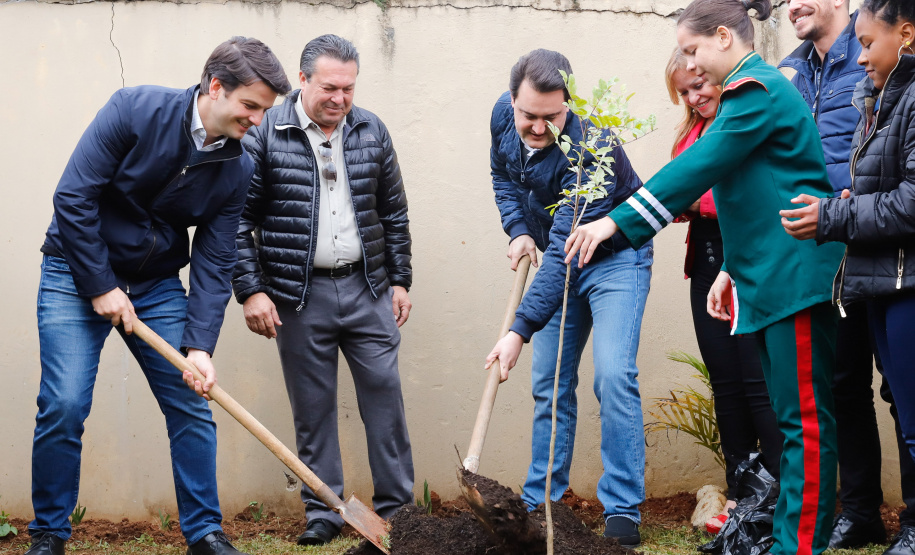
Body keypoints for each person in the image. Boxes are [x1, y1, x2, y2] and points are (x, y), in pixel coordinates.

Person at [565, 1, 846, 553]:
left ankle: (799, 545)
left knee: (805, 423)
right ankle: (789, 540)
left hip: (794, 277)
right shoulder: (748, 92)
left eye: (691, 50)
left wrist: (615, 222)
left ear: (722, 37)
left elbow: (699, 166)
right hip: (770, 277)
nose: (689, 63)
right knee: (792, 420)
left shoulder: (755, 90)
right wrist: (732, 271)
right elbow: (755, 194)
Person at [28, 37, 290, 555]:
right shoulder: (135, 111)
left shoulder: (237, 167)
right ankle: (49, 534)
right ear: (215, 86)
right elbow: (73, 197)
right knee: (64, 403)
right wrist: (101, 286)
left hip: (155, 285)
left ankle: (205, 534)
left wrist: (200, 347)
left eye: (264, 110)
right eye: (250, 105)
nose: (258, 120)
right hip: (75, 272)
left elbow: (215, 258)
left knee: (192, 401)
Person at [232, 34, 414, 547]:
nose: (340, 98)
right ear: (303, 79)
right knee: (312, 409)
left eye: (349, 88)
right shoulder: (265, 131)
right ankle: (325, 511)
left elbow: (394, 213)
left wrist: (400, 279)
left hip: (368, 288)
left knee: (386, 400)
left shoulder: (371, 130)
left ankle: (398, 512)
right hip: (297, 295)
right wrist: (251, 290)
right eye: (330, 87)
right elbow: (237, 220)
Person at [485, 48, 652, 547]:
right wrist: (518, 228)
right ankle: (542, 501)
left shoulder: (592, 148)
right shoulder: (502, 117)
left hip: (615, 259)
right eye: (528, 116)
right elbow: (502, 175)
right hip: (562, 257)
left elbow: (562, 253)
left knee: (613, 375)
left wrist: (518, 330)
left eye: (551, 118)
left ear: (570, 105)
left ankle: (622, 508)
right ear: (512, 101)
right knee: (549, 381)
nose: (538, 128)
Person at [779, 0, 915, 550]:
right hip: (858, 267)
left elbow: (909, 200)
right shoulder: (875, 94)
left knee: (906, 400)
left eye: (868, 44)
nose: (860, 57)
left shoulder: (905, 94)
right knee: (847, 388)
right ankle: (860, 514)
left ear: (905, 34)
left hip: (899, 270)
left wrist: (834, 216)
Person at [664, 48, 783, 535]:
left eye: (699, 85)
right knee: (726, 383)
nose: (695, 97)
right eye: (684, 92)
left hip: (746, 261)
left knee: (758, 382)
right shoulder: (690, 132)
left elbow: (734, 194)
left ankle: (777, 494)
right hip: (705, 262)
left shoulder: (744, 119)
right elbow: (679, 197)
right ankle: (739, 493)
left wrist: (694, 198)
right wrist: (690, 199)